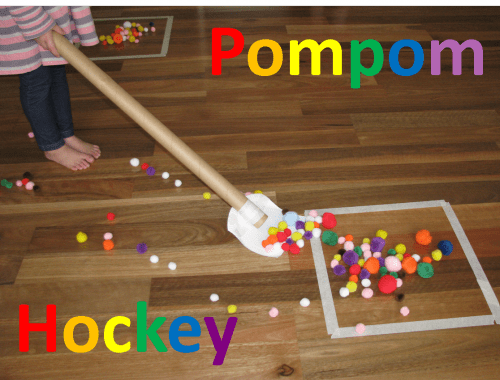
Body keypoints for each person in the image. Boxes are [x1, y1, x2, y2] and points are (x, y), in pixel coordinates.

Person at [0, 6, 101, 170]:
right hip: (22, 20)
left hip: (48, 14)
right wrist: (38, 25)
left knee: (56, 72)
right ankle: (52, 147)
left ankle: (66, 134)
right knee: (36, 80)